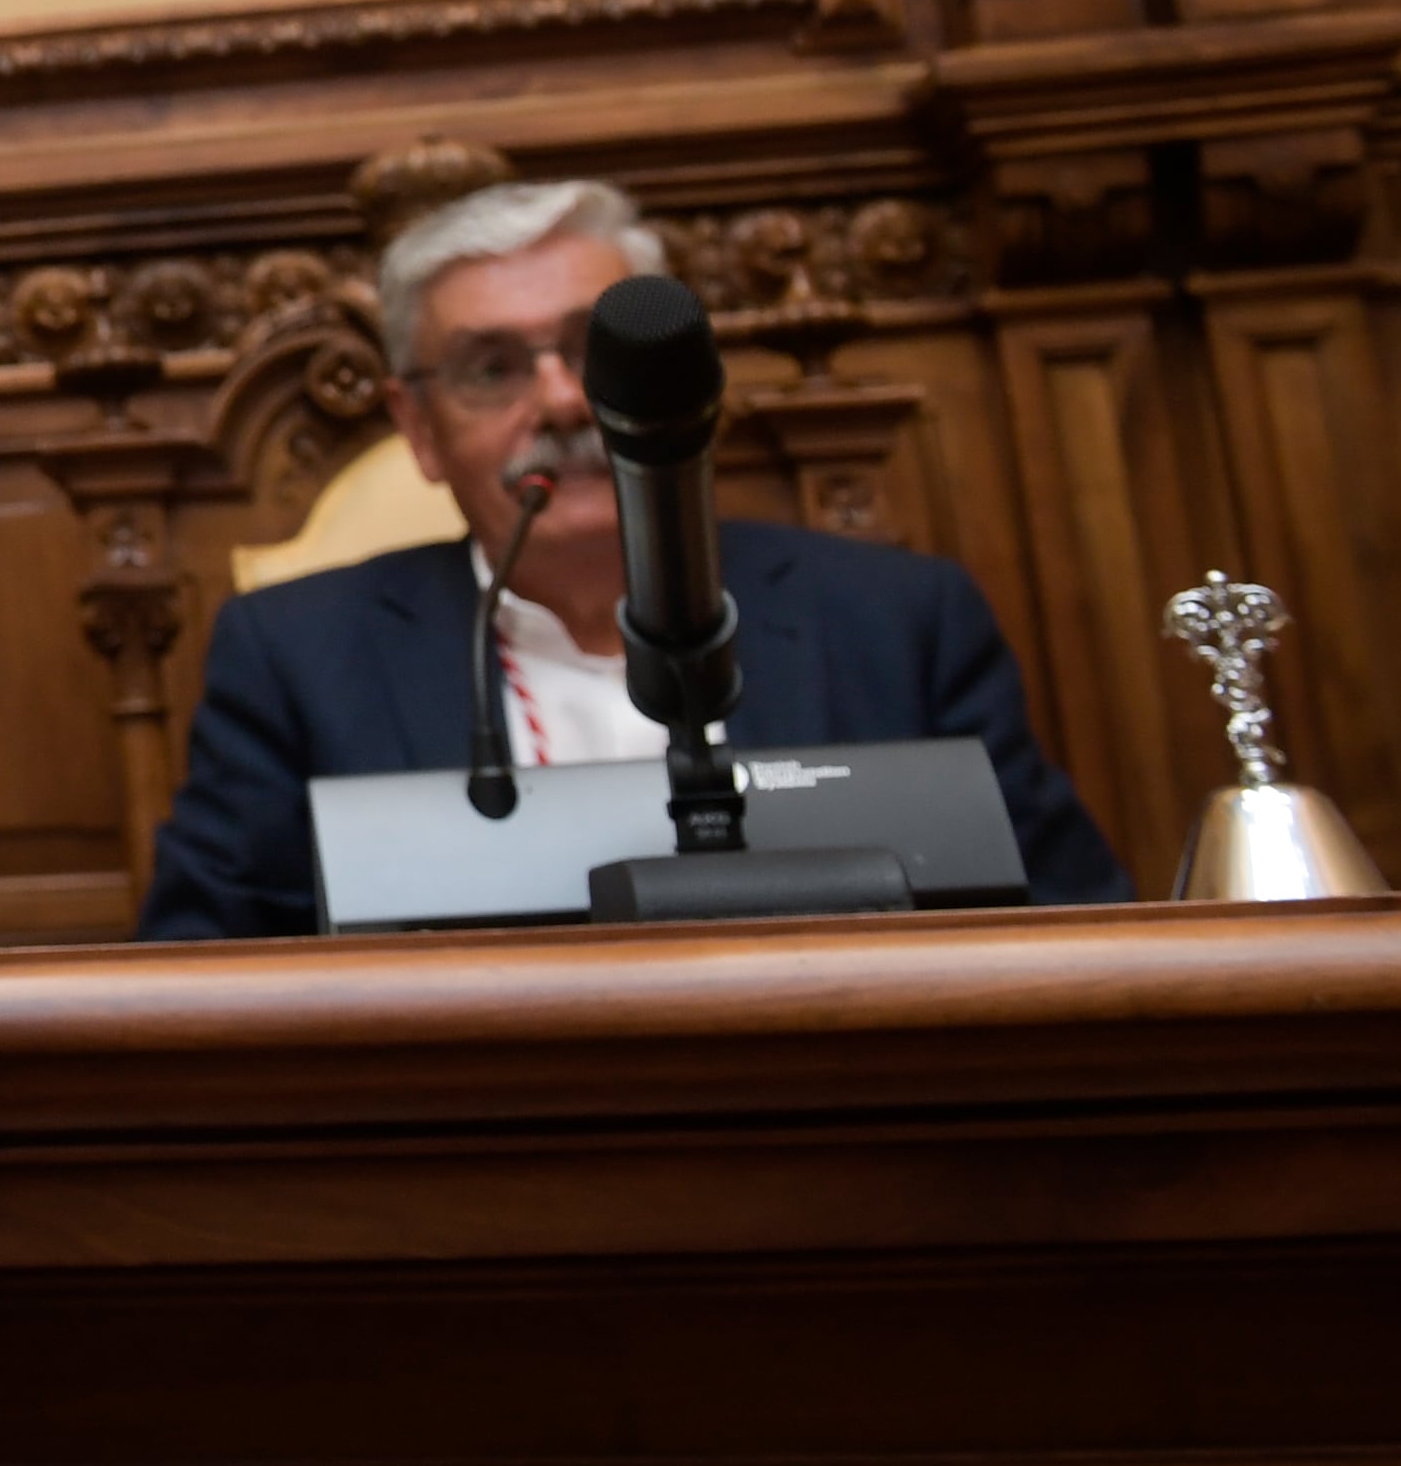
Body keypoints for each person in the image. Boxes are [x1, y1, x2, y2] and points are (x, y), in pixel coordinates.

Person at [139, 177, 1130, 937]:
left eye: (591, 349)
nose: (563, 401)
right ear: (419, 430)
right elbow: (202, 972)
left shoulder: (893, 620)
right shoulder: (293, 657)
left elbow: (1065, 921)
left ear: (677, 389)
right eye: (490, 369)